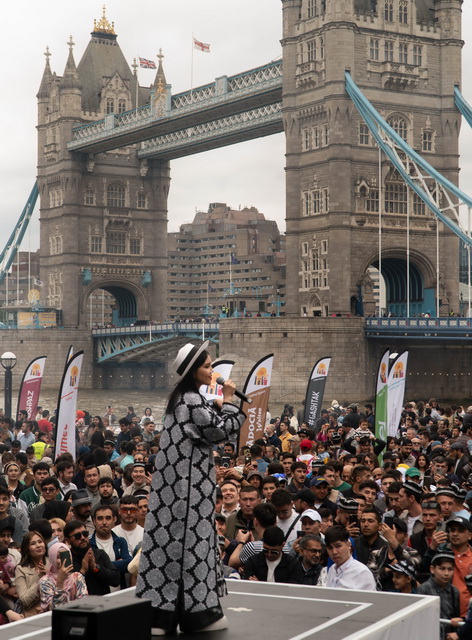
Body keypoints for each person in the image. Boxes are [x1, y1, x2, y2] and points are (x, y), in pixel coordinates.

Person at [136, 342, 246, 635]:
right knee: (193, 547)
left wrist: (216, 405)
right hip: (189, 494)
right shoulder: (192, 400)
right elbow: (220, 431)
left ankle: (161, 616)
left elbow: (204, 424)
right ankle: (199, 614)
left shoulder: (181, 399)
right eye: (207, 366)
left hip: (174, 493)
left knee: (166, 549)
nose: (212, 371)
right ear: (192, 371)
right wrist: (229, 400)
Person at [63, 519, 120, 596]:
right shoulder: (67, 561)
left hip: (103, 601)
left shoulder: (99, 554)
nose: (83, 538)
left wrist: (95, 568)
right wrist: (82, 571)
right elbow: (68, 590)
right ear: (67, 540)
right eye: (77, 536)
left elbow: (116, 580)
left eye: (85, 534)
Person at [417, 552, 461, 640]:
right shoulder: (424, 589)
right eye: (442, 569)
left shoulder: (454, 591)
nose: (446, 573)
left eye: (450, 569)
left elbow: (456, 616)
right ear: (432, 569)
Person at [39, 541, 87, 610]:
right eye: (59, 557)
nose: (63, 560)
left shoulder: (77, 577)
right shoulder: (45, 581)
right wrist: (60, 582)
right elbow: (54, 608)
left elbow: (84, 602)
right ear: (52, 559)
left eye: (66, 556)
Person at [325, 525, 376, 590]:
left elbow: (371, 596)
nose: (334, 552)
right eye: (330, 548)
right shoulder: (332, 570)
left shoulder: (362, 572)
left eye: (338, 546)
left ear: (348, 544)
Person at [15, 531, 49, 617]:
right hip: (32, 615)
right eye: (33, 543)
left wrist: (49, 575)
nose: (38, 545)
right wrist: (40, 579)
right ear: (27, 548)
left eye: (40, 542)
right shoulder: (21, 569)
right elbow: (24, 600)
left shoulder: (52, 563)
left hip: (52, 612)